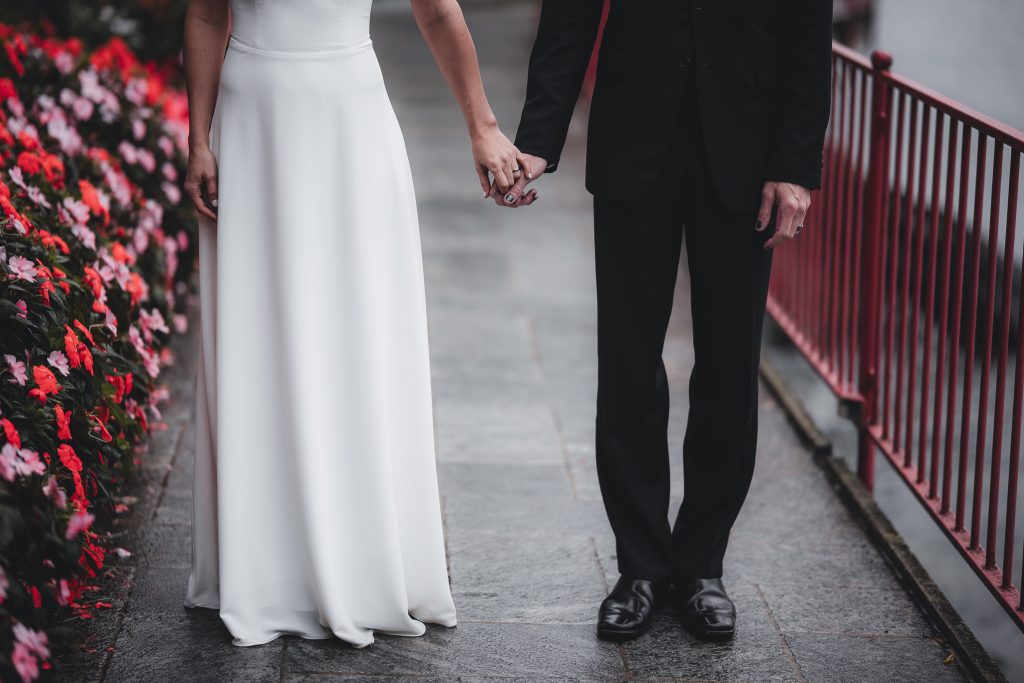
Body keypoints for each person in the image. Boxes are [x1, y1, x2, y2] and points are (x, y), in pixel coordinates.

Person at [180, 0, 528, 648]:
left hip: (348, 125)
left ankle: (360, 561)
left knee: (355, 340)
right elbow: (204, 16)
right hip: (251, 124)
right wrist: (197, 139)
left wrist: (482, 126)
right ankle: (264, 569)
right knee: (257, 343)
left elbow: (437, 12)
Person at [497, 0, 833, 641]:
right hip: (634, 131)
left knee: (730, 370)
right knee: (627, 365)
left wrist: (794, 165)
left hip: (746, 147)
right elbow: (569, 13)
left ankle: (702, 566)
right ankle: (641, 568)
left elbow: (808, 29)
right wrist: (538, 139)